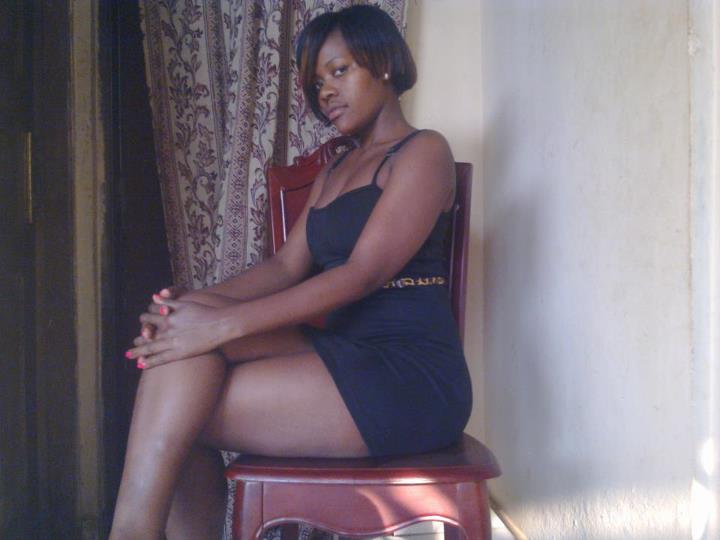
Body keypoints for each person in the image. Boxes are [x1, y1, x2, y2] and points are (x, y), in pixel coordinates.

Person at [109, 5, 472, 539]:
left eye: (340, 70)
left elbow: (362, 274)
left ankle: (131, 531)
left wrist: (220, 325)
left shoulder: (424, 151)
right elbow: (284, 267)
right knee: (180, 337)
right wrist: (188, 308)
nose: (326, 91)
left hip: (406, 376)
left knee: (178, 410)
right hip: (339, 352)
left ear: (384, 63)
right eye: (317, 82)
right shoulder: (335, 169)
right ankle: (133, 530)